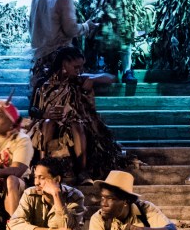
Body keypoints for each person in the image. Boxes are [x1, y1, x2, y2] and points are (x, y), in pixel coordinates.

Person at [28, 46, 123, 183]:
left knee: (77, 125)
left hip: (71, 121)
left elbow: (111, 78)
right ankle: (43, 165)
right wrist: (45, 114)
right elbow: (32, 109)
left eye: (81, 67)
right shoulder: (43, 83)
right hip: (47, 121)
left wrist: (92, 80)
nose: (79, 70)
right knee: (49, 124)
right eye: (76, 67)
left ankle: (82, 171)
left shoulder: (77, 80)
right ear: (64, 64)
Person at [30, 0, 98, 65]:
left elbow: (31, 26)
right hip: (57, 58)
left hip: (38, 58)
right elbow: (70, 30)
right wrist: (87, 26)